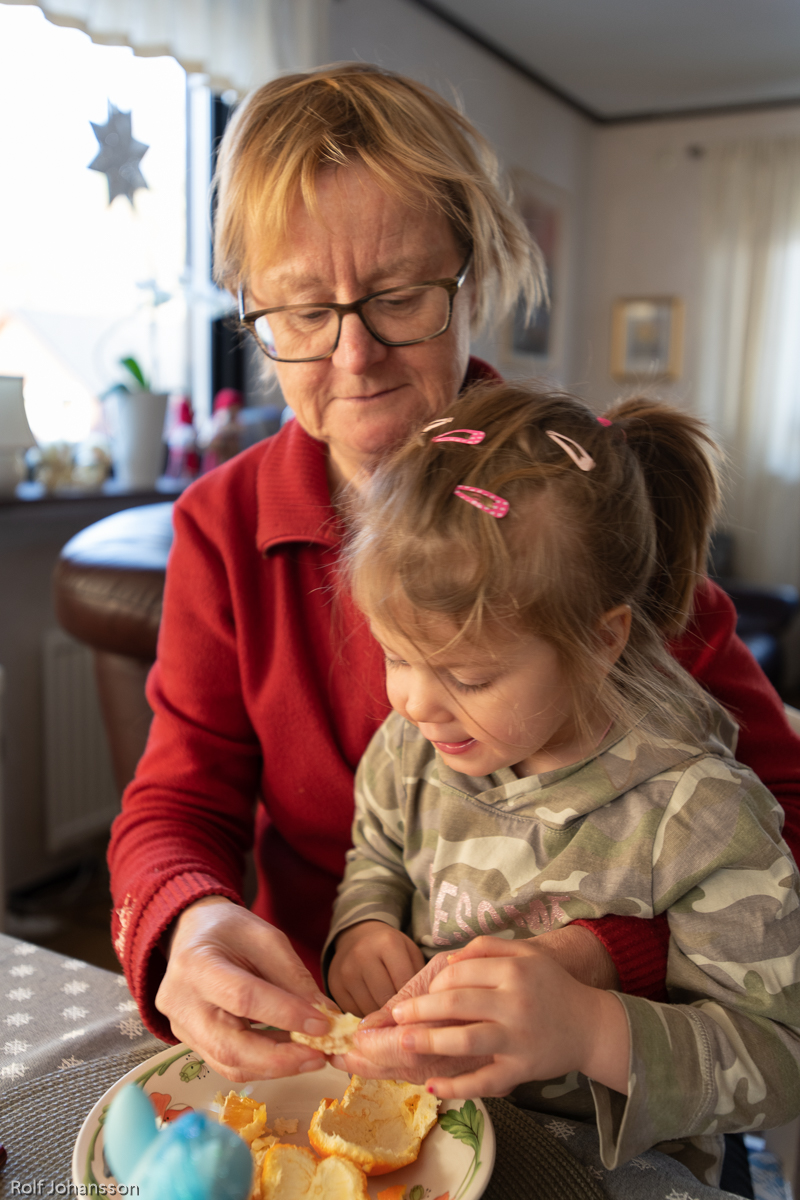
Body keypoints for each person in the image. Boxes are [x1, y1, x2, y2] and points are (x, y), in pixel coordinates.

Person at [107, 63, 800, 1090]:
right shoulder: (221, 524)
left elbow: (774, 819)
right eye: (300, 312)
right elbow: (178, 802)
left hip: (582, 1089)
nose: (353, 357)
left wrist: (605, 960)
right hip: (332, 1050)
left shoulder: (579, 510)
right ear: (252, 316)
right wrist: (190, 925)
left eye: (397, 298)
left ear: (471, 278)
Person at [325, 382, 800, 1189]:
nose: (414, 701)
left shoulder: (698, 815)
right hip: (434, 1150)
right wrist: (363, 925)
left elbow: (779, 1058)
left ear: (602, 638)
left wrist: (589, 1029)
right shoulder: (413, 750)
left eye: (468, 675)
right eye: (397, 655)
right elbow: (375, 852)